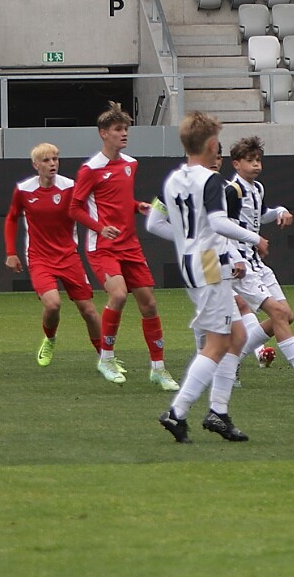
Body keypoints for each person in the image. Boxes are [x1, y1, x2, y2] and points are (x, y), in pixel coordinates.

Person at [146, 113, 265, 442]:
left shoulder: (173, 179)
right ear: (212, 144)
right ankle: (177, 412)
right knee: (218, 343)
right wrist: (255, 238)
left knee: (237, 335)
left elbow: (155, 223)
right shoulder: (211, 180)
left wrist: (188, 241)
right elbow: (218, 222)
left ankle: (219, 412)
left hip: (191, 261)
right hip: (211, 263)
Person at [215, 137, 294, 389]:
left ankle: (230, 360)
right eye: (250, 160)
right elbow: (220, 227)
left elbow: (260, 216)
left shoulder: (257, 188)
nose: (256, 165)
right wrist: (234, 258)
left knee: (286, 315)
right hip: (241, 266)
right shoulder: (232, 191)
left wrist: (280, 211)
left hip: (257, 263)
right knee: (278, 313)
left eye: (258, 160)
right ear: (236, 164)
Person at [65, 103, 172, 388]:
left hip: (130, 245)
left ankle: (158, 368)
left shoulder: (130, 164)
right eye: (117, 129)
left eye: (125, 129)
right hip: (102, 246)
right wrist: (100, 228)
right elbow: (74, 208)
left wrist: (137, 206)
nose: (124, 134)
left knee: (149, 303)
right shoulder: (90, 169)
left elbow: (119, 199)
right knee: (119, 295)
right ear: (103, 133)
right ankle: (107, 358)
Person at [3, 142, 104, 371]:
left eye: (55, 159)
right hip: (40, 258)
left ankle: (106, 358)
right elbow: (11, 218)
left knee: (88, 311)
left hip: (68, 257)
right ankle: (49, 339)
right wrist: (11, 252)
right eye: (47, 160)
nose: (52, 164)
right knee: (53, 305)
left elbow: (88, 210)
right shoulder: (24, 190)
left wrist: (102, 229)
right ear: (36, 165)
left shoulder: (70, 187)